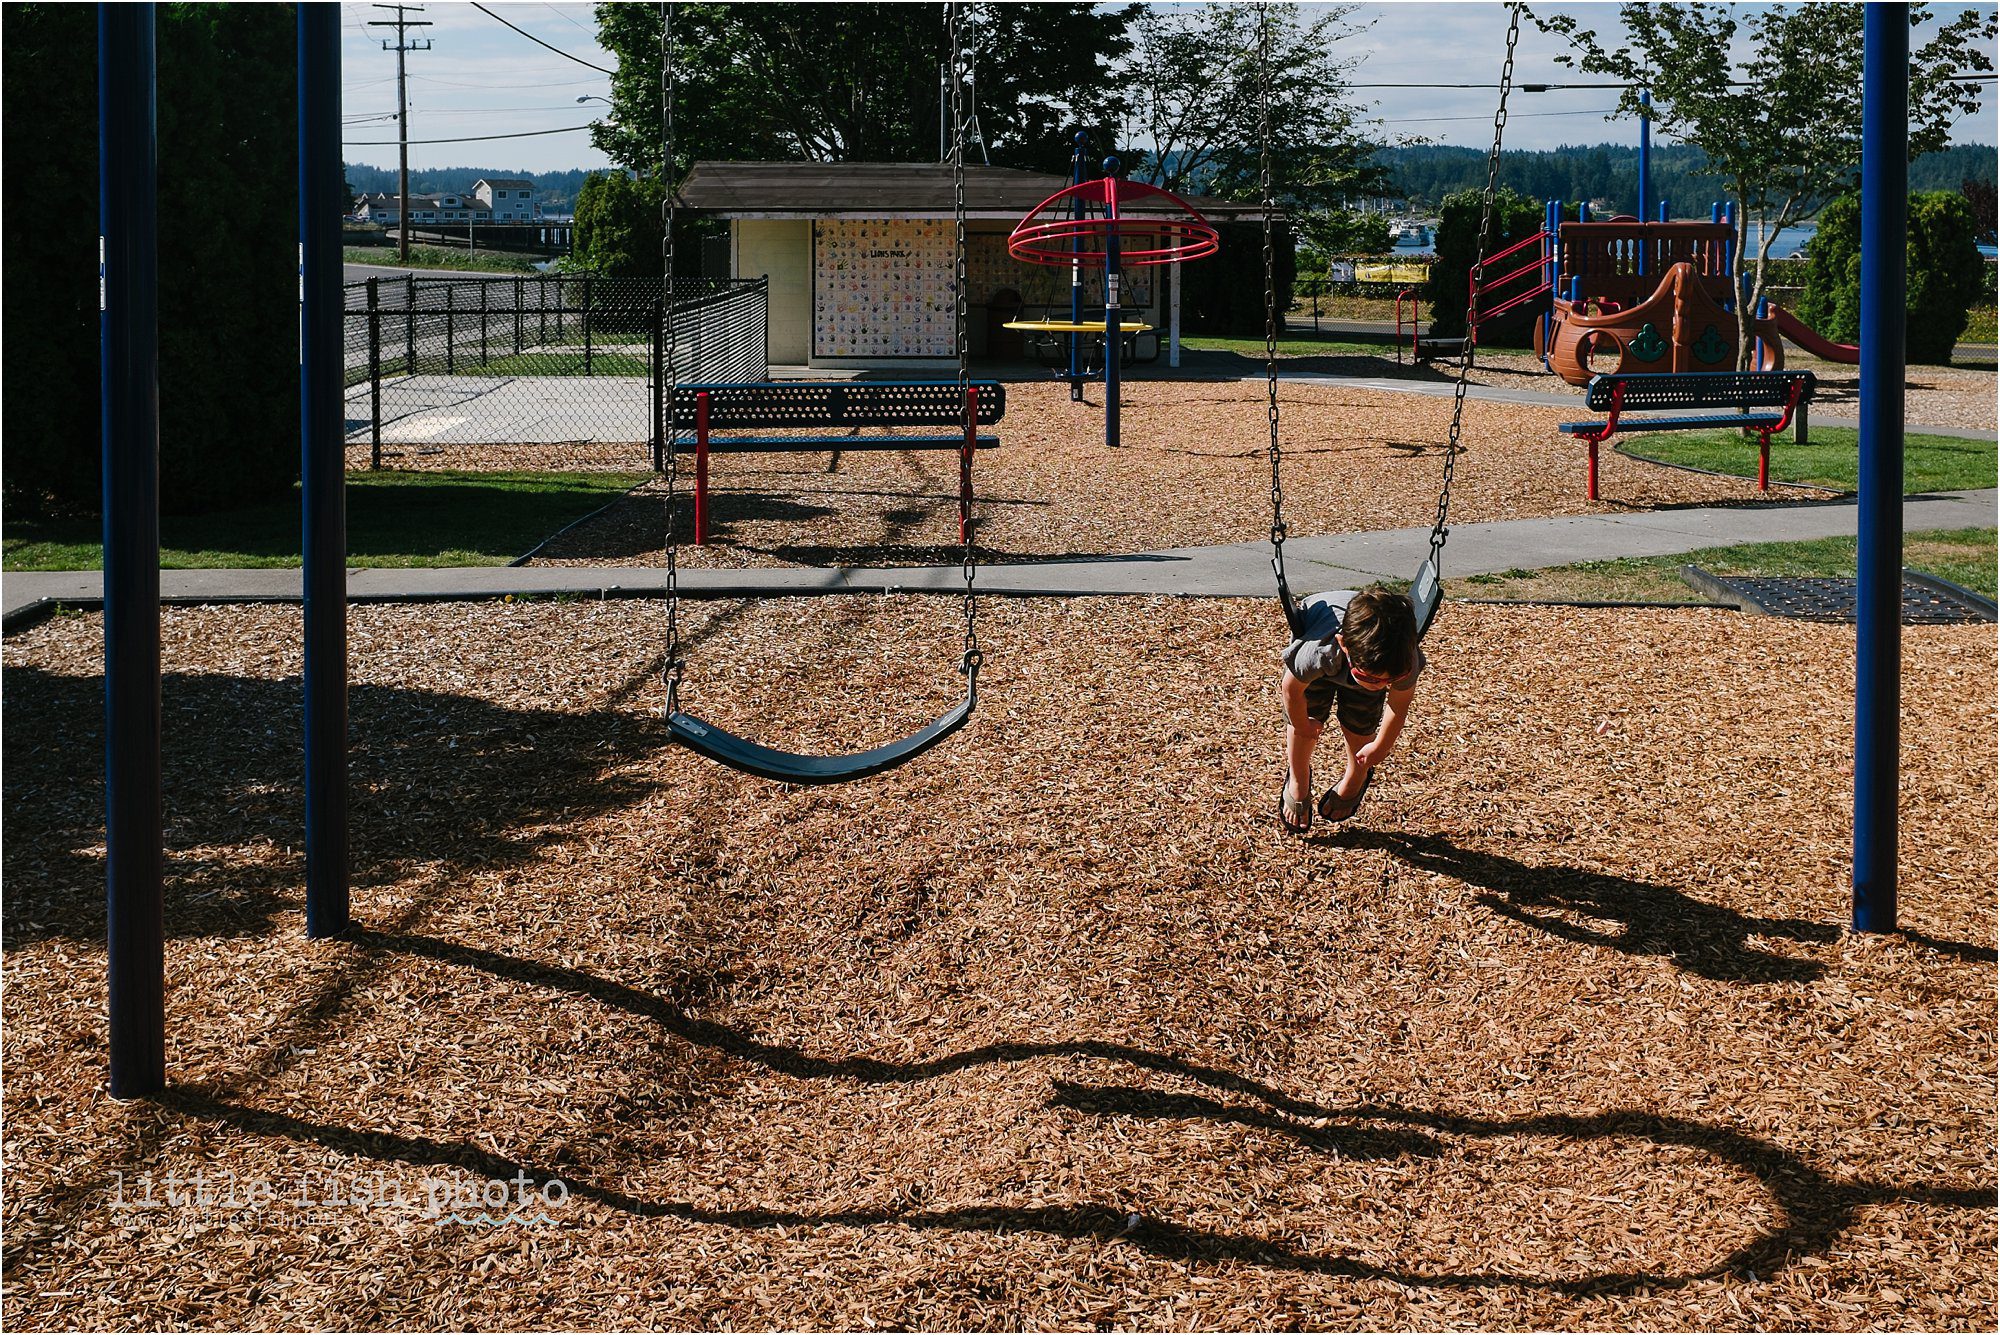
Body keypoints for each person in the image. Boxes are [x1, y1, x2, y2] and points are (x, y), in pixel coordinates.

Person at [1277, 586, 1424, 834]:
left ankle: (1356, 776)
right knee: (1305, 719)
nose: (1377, 685)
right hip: (1323, 651)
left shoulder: (1404, 662)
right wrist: (1303, 725)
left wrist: (1380, 747)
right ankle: (1299, 778)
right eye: (1368, 677)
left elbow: (1398, 707)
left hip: (1364, 657)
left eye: (1386, 681)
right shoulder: (1318, 651)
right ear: (1343, 645)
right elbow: (1291, 690)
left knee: (1361, 722)